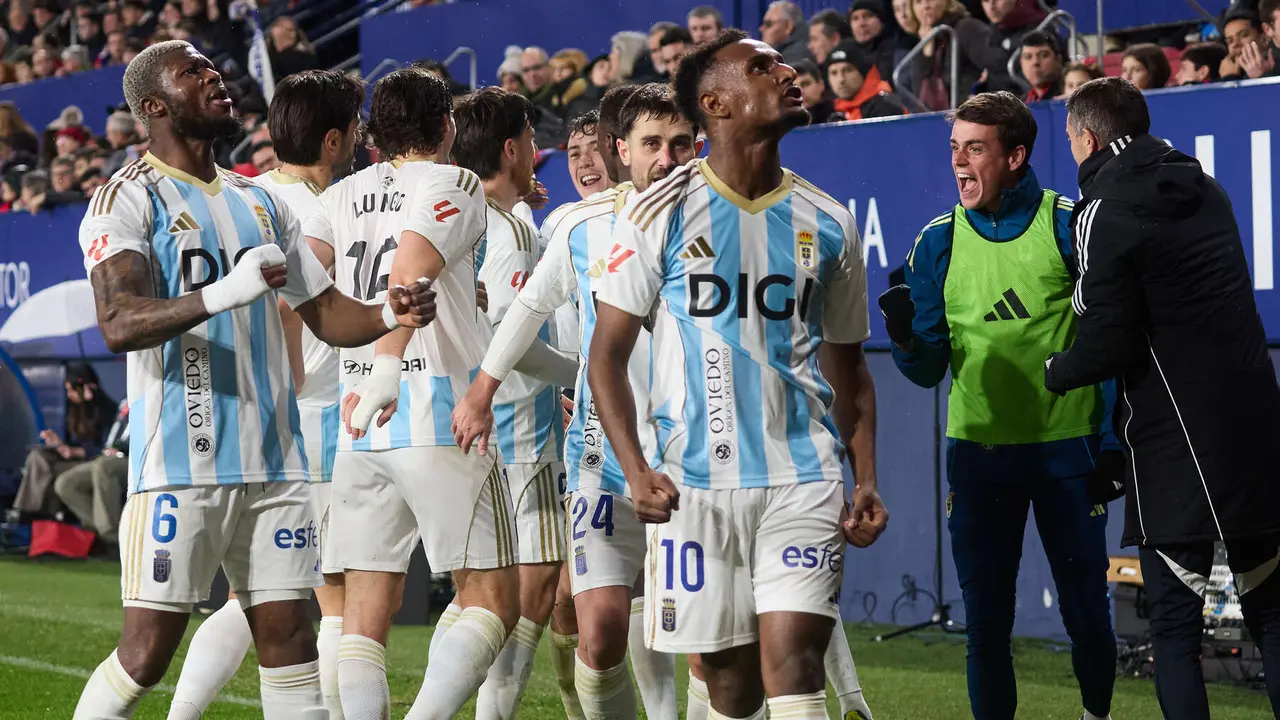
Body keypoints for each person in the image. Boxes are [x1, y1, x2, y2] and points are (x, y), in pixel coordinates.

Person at [70, 41, 433, 720]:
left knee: (292, 639)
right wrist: (221, 294)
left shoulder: (259, 202)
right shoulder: (125, 198)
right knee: (147, 653)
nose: (216, 78)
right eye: (193, 73)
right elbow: (118, 321)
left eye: (214, 68)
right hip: (181, 463)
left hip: (275, 466)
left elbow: (326, 313)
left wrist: (389, 310)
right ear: (154, 106)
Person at [589, 31, 886, 720]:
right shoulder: (654, 211)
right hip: (694, 485)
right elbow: (605, 356)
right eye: (763, 67)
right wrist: (635, 470)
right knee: (729, 686)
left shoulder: (830, 221)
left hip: (802, 479)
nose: (788, 71)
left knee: (796, 667)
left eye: (782, 61)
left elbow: (852, 373)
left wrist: (864, 475)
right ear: (715, 103)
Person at [451, 83, 694, 720]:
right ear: (627, 151)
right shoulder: (579, 225)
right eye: (650, 144)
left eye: (678, 143)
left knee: (700, 639)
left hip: (696, 458)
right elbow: (530, 307)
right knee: (601, 629)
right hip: (599, 456)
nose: (665, 158)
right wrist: (485, 387)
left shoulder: (718, 219)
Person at [1045, 76, 1280, 719]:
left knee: (1173, 628)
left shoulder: (1103, 210)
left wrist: (1051, 371)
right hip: (1258, 427)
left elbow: (1105, 343)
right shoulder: (1208, 189)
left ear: (1087, 138)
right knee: (1273, 610)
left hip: (1176, 441)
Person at [877, 91, 1116, 720]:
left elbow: (1107, 343)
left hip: (1069, 457)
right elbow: (927, 369)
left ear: (1015, 156)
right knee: (986, 625)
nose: (959, 162)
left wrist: (1113, 443)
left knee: (1087, 612)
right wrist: (904, 336)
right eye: (954, 147)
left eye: (974, 149)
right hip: (979, 463)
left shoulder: (1069, 223)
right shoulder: (936, 243)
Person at [306, 67, 510, 720]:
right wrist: (390, 367)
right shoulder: (455, 180)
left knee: (364, 612)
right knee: (491, 597)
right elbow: (408, 269)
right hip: (432, 407)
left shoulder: (343, 194)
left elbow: (304, 291)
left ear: (374, 134)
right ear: (448, 124)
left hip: (358, 420)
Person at [162, 68, 367, 720]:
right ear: (334, 139)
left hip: (255, 415)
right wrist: (291, 378)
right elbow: (294, 304)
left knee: (253, 595)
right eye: (354, 127)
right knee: (335, 592)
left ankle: (181, 713)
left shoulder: (252, 193)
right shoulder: (312, 211)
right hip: (309, 417)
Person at [450, 86, 581, 719]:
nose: (539, 152)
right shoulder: (511, 229)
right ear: (510, 148)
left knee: (476, 593)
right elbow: (514, 337)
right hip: (520, 434)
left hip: (458, 425)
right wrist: (575, 372)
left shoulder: (454, 215)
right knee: (526, 596)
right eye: (532, 140)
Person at [14, 362, 118, 518]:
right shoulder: (74, 409)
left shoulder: (106, 409)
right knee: (38, 456)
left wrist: (76, 451)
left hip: (91, 460)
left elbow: (106, 447)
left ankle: (39, 514)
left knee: (48, 471)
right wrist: (58, 444)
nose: (69, 394)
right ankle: (23, 510)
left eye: (72, 390)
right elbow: (72, 442)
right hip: (73, 457)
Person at [52, 399, 129, 545]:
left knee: (104, 467)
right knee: (66, 483)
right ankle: (100, 536)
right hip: (107, 456)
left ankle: (110, 534)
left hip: (135, 460)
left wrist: (123, 449)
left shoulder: (154, 398)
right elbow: (105, 440)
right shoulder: (124, 403)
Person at [824, 41, 907, 122]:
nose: (841, 79)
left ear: (862, 73)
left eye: (848, 70)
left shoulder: (883, 106)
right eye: (833, 73)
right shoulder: (835, 112)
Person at [1017, 30, 1063, 103]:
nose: (1035, 62)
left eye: (1044, 55)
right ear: (1021, 63)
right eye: (1028, 57)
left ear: (1058, 60)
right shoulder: (1020, 104)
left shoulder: (1067, 98)